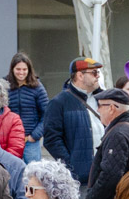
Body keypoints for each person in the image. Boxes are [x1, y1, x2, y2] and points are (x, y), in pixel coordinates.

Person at [44, 58, 104, 188]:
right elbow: (51, 140)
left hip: (105, 176)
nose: (98, 76)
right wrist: (71, 166)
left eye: (98, 72)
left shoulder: (104, 98)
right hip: (80, 180)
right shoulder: (59, 102)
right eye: (94, 72)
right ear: (80, 75)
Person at [8, 53, 50, 164]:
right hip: (11, 141)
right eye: (18, 69)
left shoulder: (37, 87)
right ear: (12, 69)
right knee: (11, 172)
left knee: (34, 172)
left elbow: (47, 114)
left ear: (29, 70)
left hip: (31, 142)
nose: (21, 72)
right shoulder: (5, 86)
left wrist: (35, 135)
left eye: (24, 69)